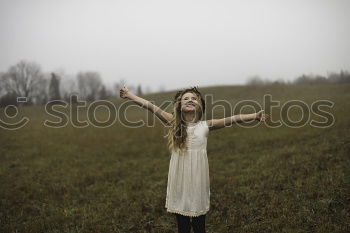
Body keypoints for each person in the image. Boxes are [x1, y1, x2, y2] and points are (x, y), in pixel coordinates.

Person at [120, 86, 268, 233]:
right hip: (180, 179)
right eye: (186, 99)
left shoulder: (205, 125)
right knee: (183, 226)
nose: (190, 100)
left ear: (200, 106)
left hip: (198, 179)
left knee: (199, 225)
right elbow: (150, 106)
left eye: (194, 99)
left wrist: (254, 115)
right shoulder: (174, 122)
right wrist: (129, 95)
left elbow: (231, 119)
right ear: (179, 106)